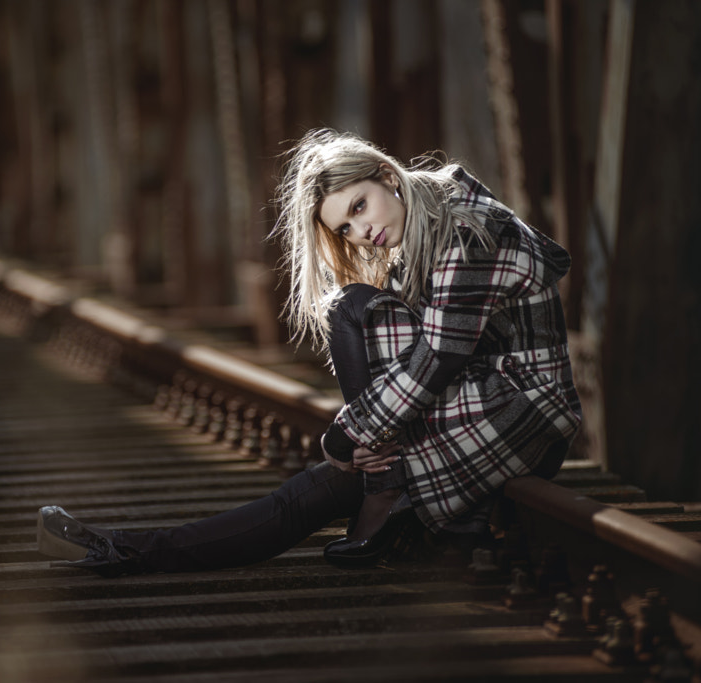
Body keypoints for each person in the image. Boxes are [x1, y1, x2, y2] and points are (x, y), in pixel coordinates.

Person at [36, 128, 582, 576]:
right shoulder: (426, 222)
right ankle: (121, 549)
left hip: (526, 410)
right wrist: (364, 437)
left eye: (360, 206)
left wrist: (348, 435)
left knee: (332, 465)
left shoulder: (467, 230)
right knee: (351, 318)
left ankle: (123, 551)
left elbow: (440, 353)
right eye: (346, 225)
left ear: (388, 177)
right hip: (479, 396)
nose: (361, 230)